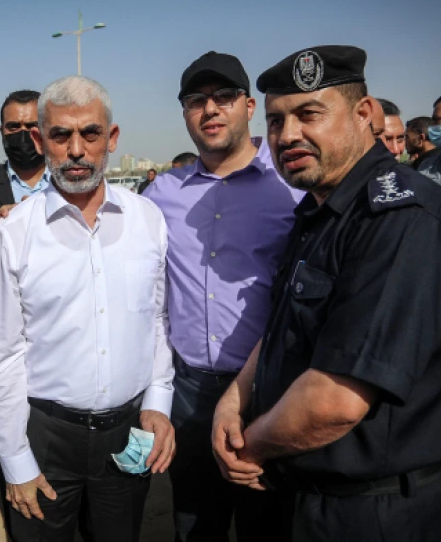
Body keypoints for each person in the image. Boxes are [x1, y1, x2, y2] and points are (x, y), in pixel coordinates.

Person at [213, 45, 441, 542]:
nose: (287, 135)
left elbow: (337, 401)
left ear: (365, 114)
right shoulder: (323, 213)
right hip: (308, 496)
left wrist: (247, 449)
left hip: (379, 513)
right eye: (275, 121)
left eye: (309, 114)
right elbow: (283, 328)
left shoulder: (401, 221)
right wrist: (231, 402)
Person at [0, 75, 175, 542]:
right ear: (39, 139)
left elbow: (156, 320)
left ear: (111, 139)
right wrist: (15, 459)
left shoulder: (146, 220)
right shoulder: (15, 233)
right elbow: (4, 355)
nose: (75, 150)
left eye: (89, 134)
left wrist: (158, 402)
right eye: (60, 135)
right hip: (46, 438)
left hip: (127, 433)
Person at [143, 50, 300, 542]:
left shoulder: (292, 185)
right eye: (196, 100)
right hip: (188, 391)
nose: (210, 109)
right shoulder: (160, 194)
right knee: (193, 520)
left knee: (266, 519)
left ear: (249, 106)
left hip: (268, 388)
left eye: (224, 97)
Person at [0, 90, 49, 204]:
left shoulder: (72, 184)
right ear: (2, 131)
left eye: (32, 126)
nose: (23, 135)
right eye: (14, 126)